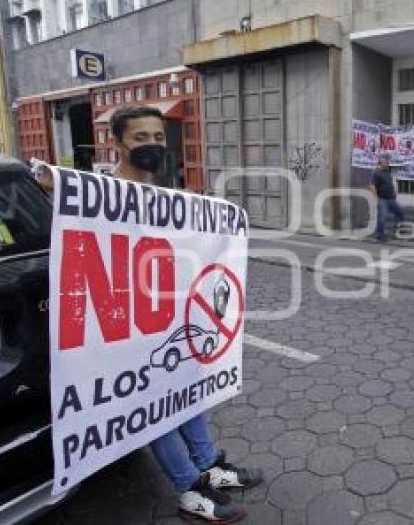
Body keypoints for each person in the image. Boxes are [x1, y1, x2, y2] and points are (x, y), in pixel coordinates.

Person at [110, 105, 262, 522]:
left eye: (158, 138)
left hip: (174, 320)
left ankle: (210, 466)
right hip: (132, 328)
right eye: (140, 138)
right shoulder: (98, 198)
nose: (152, 146)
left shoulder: (167, 197)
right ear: (118, 142)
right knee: (153, 406)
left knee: (187, 392)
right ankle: (188, 488)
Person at [370, 155, 405, 242]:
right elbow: (372, 186)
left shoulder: (387, 172)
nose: (387, 163)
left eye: (388, 161)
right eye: (385, 161)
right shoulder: (376, 172)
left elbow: (390, 184)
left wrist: (394, 193)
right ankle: (379, 235)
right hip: (382, 198)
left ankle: (398, 228)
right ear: (380, 162)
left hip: (391, 198)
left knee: (400, 212)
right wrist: (376, 198)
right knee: (382, 217)